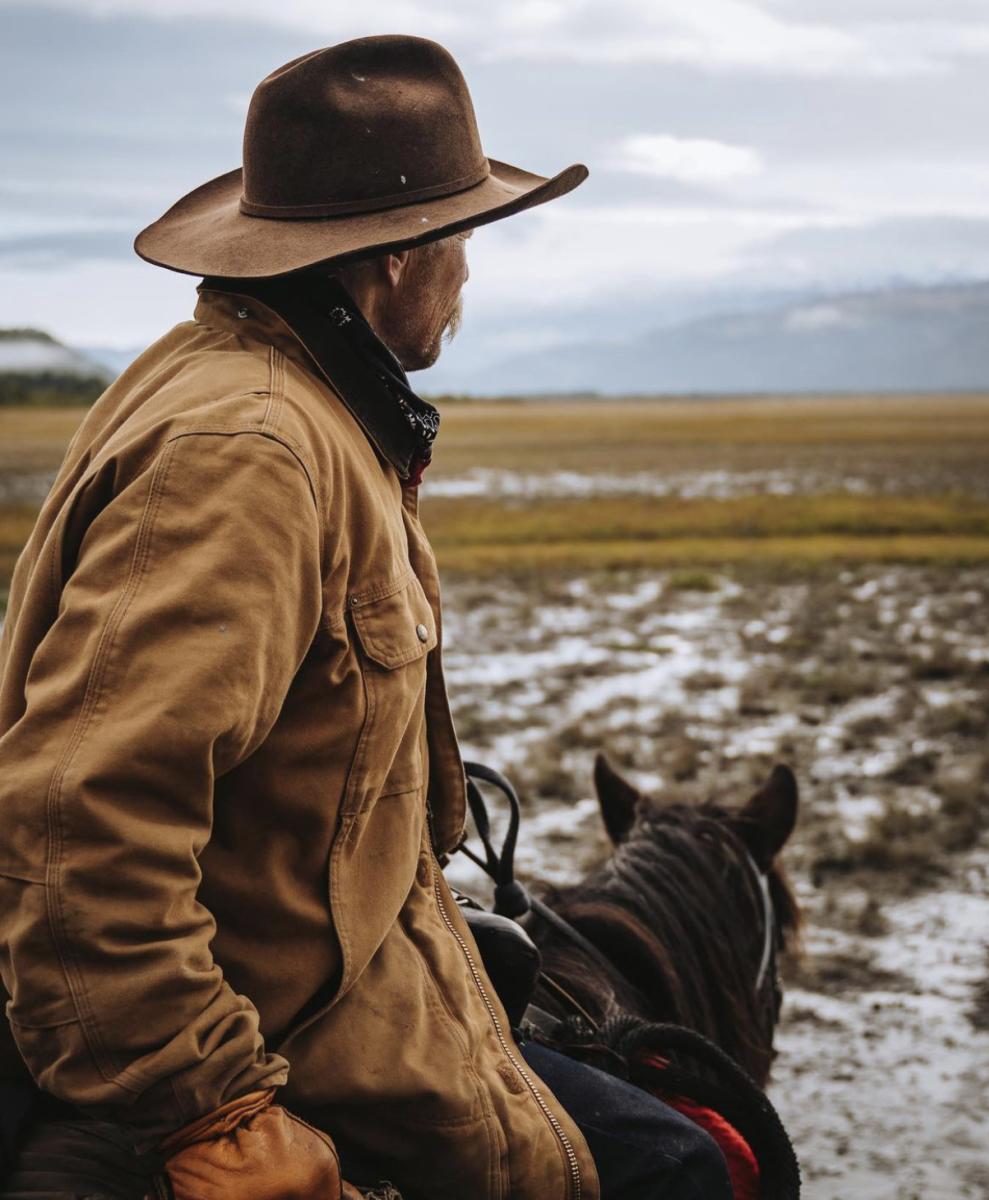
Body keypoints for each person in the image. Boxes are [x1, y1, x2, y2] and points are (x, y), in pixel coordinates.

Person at [0, 34, 732, 1200]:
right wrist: (217, 1114)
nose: (468, 272)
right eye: (461, 239)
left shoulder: (266, 395)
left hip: (331, 984)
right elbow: (79, 816)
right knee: (681, 1171)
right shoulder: (251, 448)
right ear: (396, 260)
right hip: (283, 1031)